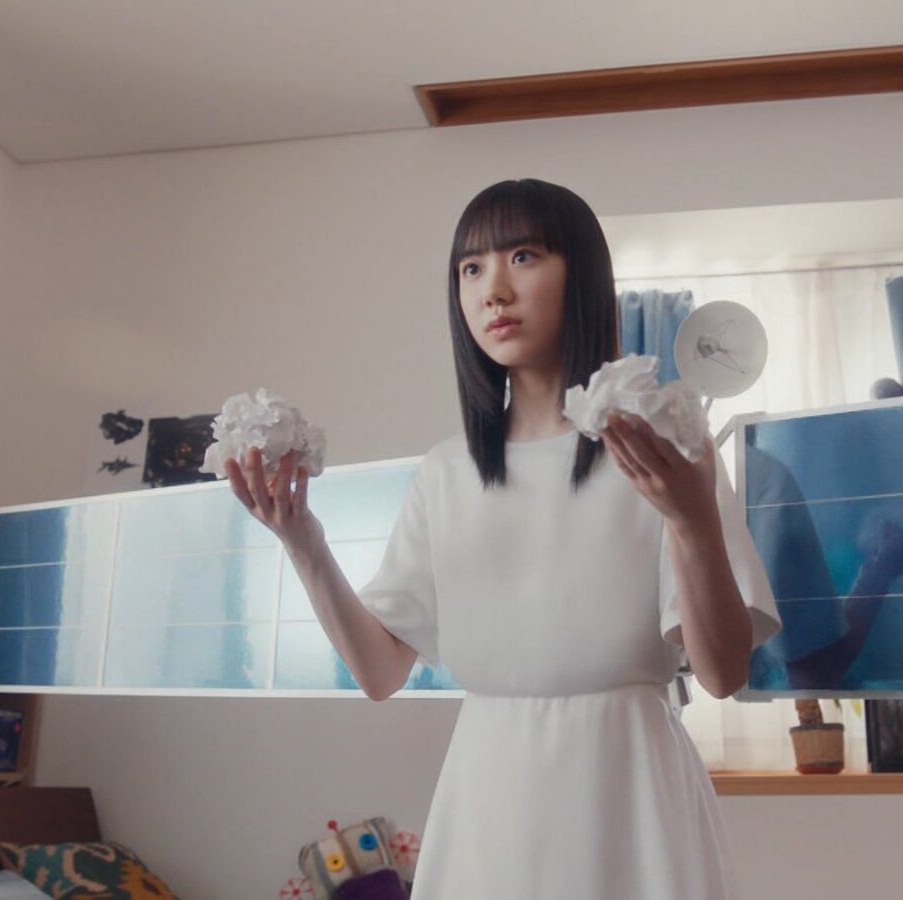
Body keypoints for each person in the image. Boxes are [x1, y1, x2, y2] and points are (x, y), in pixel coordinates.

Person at [224, 178, 779, 898]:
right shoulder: (446, 472)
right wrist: (302, 541)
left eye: (523, 256)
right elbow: (379, 672)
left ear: (583, 274)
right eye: (471, 268)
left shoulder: (665, 450)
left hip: (631, 793)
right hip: (489, 795)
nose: (493, 291)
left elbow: (722, 673)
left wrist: (692, 521)